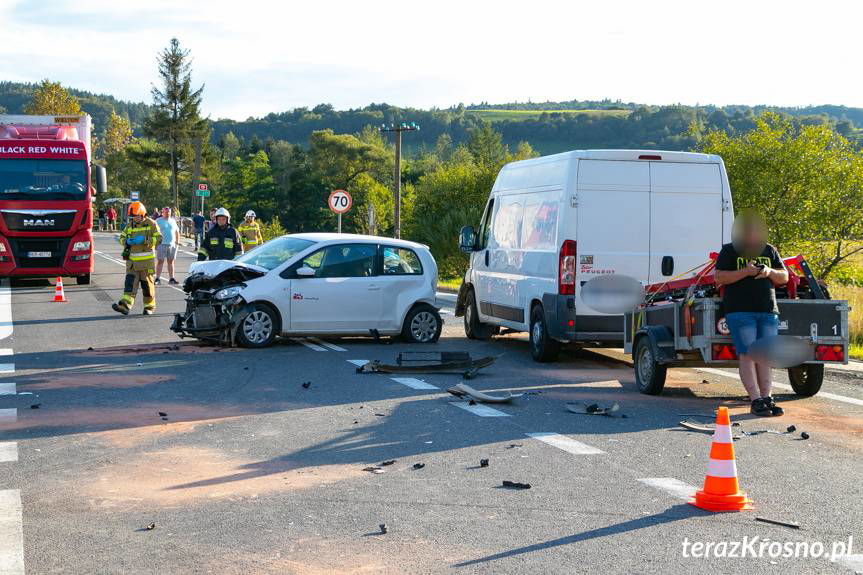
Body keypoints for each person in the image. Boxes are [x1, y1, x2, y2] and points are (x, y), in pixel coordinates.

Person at [714, 211, 789, 417]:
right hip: (740, 311)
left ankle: (767, 398)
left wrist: (768, 272)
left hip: (767, 310)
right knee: (747, 354)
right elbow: (719, 277)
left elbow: (784, 277)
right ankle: (755, 399)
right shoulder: (730, 251)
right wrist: (745, 272)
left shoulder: (769, 250)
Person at [112, 201, 161, 316]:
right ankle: (125, 306)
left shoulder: (152, 224)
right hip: (132, 263)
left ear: (142, 214)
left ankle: (149, 307)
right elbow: (121, 237)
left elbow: (159, 239)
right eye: (132, 217)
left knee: (147, 287)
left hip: (146, 264)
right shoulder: (130, 225)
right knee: (129, 285)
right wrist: (126, 241)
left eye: (136, 216)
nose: (134, 218)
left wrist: (144, 240)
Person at [155, 206, 180, 285]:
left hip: (172, 244)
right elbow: (153, 232)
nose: (167, 213)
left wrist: (177, 243)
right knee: (160, 261)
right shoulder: (158, 221)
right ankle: (157, 278)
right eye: (166, 212)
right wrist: (155, 244)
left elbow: (177, 232)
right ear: (162, 212)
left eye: (169, 212)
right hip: (161, 244)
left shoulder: (173, 221)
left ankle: (171, 278)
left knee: (171, 261)